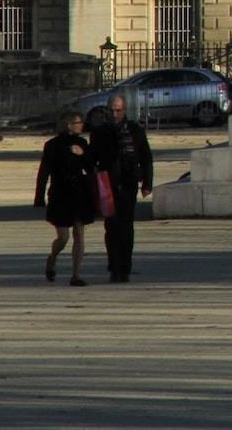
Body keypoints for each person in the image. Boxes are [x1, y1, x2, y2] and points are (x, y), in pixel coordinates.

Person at [87, 94, 153, 283]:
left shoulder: (135, 130)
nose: (115, 114)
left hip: (129, 182)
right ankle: (114, 266)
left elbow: (146, 158)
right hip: (108, 183)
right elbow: (91, 159)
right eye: (112, 111)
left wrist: (147, 183)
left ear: (124, 110)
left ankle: (125, 266)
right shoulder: (100, 132)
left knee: (126, 227)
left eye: (118, 110)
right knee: (111, 227)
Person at [33, 109, 95, 287]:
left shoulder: (82, 143)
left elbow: (91, 167)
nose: (81, 125)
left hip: (79, 192)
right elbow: (44, 172)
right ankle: (52, 258)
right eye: (78, 123)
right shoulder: (52, 145)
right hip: (60, 193)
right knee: (63, 237)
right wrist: (39, 197)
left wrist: (82, 154)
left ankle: (76, 275)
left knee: (79, 234)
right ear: (69, 125)